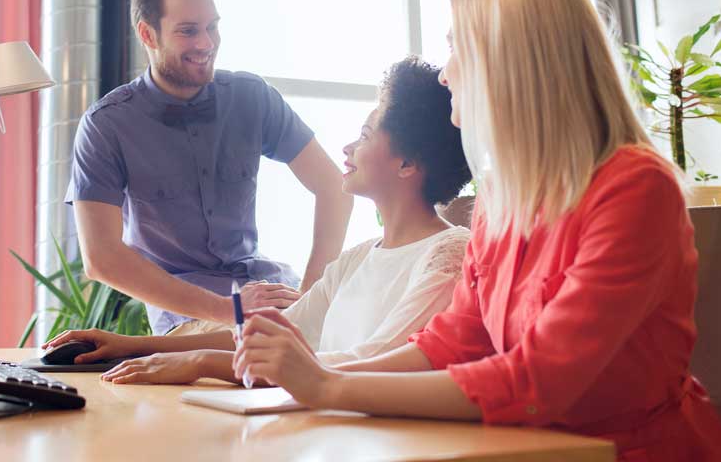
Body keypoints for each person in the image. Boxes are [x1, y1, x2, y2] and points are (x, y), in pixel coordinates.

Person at [231, 0, 721, 461]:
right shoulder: (499, 199)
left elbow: (539, 378)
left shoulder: (635, 189)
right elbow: (451, 344)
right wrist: (313, 380)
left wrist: (326, 386)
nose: (446, 74)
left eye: (456, 48)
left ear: (513, 61)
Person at [45, 57, 472, 383]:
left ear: (407, 164)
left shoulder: (450, 253)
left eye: (363, 136)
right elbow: (276, 336)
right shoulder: (356, 260)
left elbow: (374, 361)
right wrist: (133, 346)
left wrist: (203, 362)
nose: (346, 148)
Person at [64, 0, 354, 336]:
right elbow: (101, 259)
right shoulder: (107, 125)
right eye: (187, 31)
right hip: (190, 316)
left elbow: (335, 187)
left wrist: (311, 293)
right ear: (148, 35)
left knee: (364, 337)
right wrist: (229, 309)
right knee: (260, 349)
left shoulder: (253, 98)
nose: (206, 43)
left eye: (212, 27)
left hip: (269, 292)